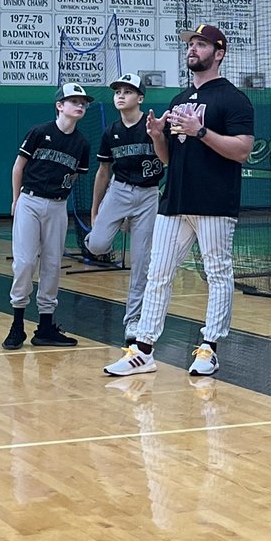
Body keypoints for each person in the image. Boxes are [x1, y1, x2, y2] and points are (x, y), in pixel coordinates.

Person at [104, 23, 254, 377]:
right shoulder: (178, 100)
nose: (192, 49)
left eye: (201, 44)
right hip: (175, 200)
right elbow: (170, 157)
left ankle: (209, 348)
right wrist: (158, 137)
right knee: (158, 274)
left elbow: (243, 150)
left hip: (215, 202)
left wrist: (200, 131)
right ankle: (142, 350)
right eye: (191, 44)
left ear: (219, 53)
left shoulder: (233, 99)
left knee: (217, 274)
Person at [3, 81, 92, 350]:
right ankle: (17, 324)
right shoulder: (40, 132)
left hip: (57, 206)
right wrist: (16, 199)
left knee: (52, 265)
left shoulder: (82, 144)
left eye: (83, 103)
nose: (80, 105)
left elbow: (75, 176)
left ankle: (45, 327)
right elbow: (19, 165)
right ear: (59, 105)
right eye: (74, 101)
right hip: (29, 201)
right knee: (25, 262)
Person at [85, 73, 165, 344]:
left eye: (127, 91)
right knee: (96, 245)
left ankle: (133, 320)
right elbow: (103, 172)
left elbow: (170, 160)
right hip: (119, 191)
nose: (120, 95)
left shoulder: (153, 125)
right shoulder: (111, 132)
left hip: (148, 194)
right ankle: (120, 221)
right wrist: (95, 211)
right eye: (117, 91)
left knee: (141, 261)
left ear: (140, 98)